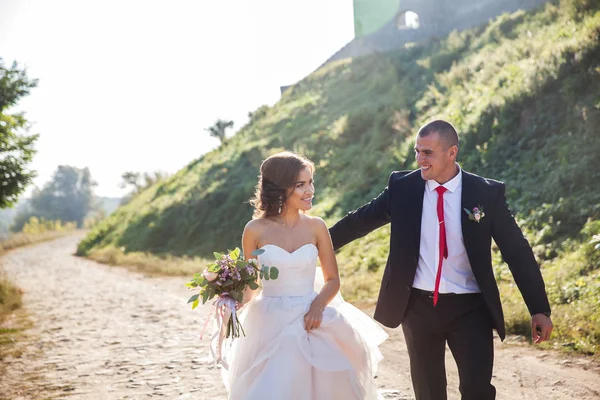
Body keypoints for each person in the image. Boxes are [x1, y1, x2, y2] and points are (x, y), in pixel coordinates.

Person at [329, 120, 553, 400]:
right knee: (429, 393)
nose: (419, 160)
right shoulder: (403, 187)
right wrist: (315, 243)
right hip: (418, 307)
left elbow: (516, 251)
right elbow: (360, 221)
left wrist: (539, 308)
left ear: (451, 152)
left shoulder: (485, 193)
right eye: (416, 151)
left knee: (478, 391)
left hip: (471, 307)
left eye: (427, 153)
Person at [220, 151, 388, 400]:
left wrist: (318, 306)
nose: (310, 190)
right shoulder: (254, 230)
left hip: (312, 316)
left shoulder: (316, 227)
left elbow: (333, 280)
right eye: (301, 185)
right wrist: (231, 301)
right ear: (279, 188)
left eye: (310, 182)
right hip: (269, 321)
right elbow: (253, 284)